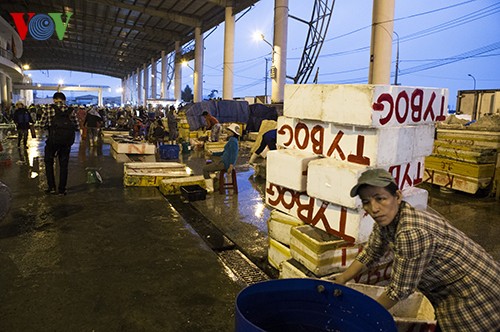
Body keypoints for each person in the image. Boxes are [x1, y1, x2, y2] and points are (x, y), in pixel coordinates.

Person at [334, 168, 500, 332]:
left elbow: (399, 290)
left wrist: (361, 316)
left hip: (475, 294)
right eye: (366, 202)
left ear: (397, 197)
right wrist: (342, 279)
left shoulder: (410, 232)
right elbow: (371, 252)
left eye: (380, 198)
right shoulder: (390, 219)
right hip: (452, 287)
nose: (374, 208)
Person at [39, 92, 79, 195]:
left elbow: (42, 124)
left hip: (52, 141)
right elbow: (77, 126)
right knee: (63, 165)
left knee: (49, 163)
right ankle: (62, 189)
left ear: (54, 99)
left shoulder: (48, 108)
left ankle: (52, 187)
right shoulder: (70, 110)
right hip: (66, 142)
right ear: (64, 100)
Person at [202, 123, 240, 192]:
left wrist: (231, 166)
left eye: (229, 130)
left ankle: (210, 189)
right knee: (211, 161)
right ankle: (215, 183)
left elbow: (234, 155)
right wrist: (212, 154)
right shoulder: (232, 140)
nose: (227, 132)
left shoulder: (233, 141)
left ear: (233, 133)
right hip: (224, 161)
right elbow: (223, 152)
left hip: (225, 164)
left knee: (205, 169)